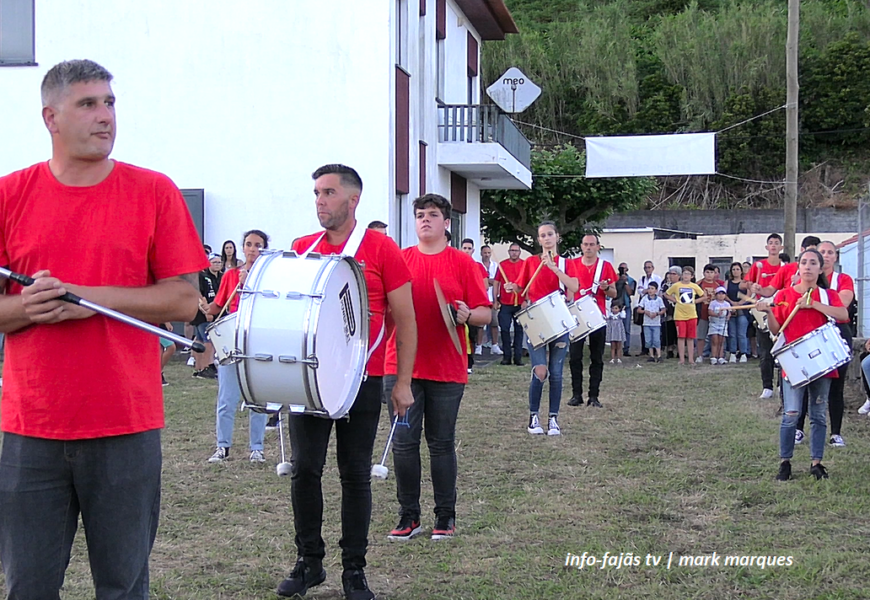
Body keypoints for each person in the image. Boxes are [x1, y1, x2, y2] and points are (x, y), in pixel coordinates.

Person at [0, 59, 205, 600]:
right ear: (51, 117)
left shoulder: (154, 191)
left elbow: (186, 298)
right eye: (88, 104)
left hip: (125, 425)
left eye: (110, 102)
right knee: (28, 586)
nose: (105, 116)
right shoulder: (9, 195)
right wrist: (31, 308)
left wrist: (88, 300)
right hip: (32, 429)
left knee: (123, 585)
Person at [278, 164, 416, 600]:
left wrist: (403, 382)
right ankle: (309, 562)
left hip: (362, 377)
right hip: (309, 378)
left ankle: (354, 570)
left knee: (355, 474)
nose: (319, 200)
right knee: (304, 470)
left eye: (329, 192)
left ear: (352, 200)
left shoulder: (380, 249)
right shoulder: (303, 248)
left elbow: (406, 320)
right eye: (316, 192)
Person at [383, 193, 489, 542]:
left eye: (432, 214)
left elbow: (485, 313)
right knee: (403, 442)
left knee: (441, 443)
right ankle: (408, 516)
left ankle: (445, 516)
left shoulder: (463, 263)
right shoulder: (399, 260)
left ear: (447, 223)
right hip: (401, 368)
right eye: (419, 215)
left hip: (446, 367)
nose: (424, 220)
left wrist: (467, 315)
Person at [756, 249, 847, 481]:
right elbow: (777, 330)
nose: (807, 266)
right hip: (794, 363)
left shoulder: (827, 295)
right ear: (798, 267)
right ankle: (785, 462)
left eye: (812, 263)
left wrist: (813, 305)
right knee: (791, 414)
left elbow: (843, 314)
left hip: (823, 363)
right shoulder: (784, 295)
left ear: (820, 268)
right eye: (804, 262)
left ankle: (816, 463)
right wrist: (768, 312)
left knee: (818, 415)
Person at [506, 222, 579, 433]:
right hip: (536, 318)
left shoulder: (566, 263)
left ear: (557, 237)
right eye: (542, 235)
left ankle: (553, 418)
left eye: (550, 234)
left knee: (556, 372)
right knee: (540, 370)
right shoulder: (530, 262)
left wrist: (554, 268)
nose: (546, 238)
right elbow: (521, 287)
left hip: (559, 319)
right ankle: (534, 416)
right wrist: (513, 287)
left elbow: (574, 287)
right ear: (538, 240)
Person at [206, 230, 271, 463]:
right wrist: (203, 307)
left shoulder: (269, 276)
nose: (252, 249)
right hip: (232, 340)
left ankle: (257, 447)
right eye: (249, 244)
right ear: (242, 247)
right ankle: (222, 447)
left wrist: (251, 284)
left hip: (258, 339)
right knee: (226, 397)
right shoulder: (230, 275)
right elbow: (218, 306)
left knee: (258, 396)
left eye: (258, 245)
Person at [794, 241, 855, 447]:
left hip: (836, 332)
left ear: (835, 257)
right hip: (809, 333)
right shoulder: (800, 280)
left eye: (830, 252)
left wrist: (816, 303)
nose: (826, 255)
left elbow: (843, 304)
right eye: (822, 252)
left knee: (836, 385)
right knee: (803, 381)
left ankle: (836, 432)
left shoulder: (842, 279)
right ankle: (799, 429)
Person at [566, 234, 617, 408]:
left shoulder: (606, 266)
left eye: (592, 244)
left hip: (598, 315)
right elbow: (568, 289)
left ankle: (594, 396)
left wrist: (606, 288)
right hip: (576, 315)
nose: (588, 247)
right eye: (585, 244)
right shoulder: (572, 265)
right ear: (581, 246)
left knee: (597, 357)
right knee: (575, 357)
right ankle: (576, 395)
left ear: (597, 247)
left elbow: (614, 293)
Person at [744, 233, 785, 398]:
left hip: (780, 310)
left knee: (783, 350)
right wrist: (752, 288)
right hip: (762, 310)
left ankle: (782, 384)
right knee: (765, 352)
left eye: (777, 243)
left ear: (781, 247)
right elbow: (748, 284)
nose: (774, 246)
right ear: (767, 247)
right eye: (771, 243)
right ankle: (767, 387)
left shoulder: (785, 267)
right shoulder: (758, 265)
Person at [665, 267, 705, 365]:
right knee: (681, 337)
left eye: (688, 274)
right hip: (679, 315)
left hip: (692, 315)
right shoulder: (676, 285)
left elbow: (704, 296)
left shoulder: (694, 286)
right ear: (681, 275)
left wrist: (695, 301)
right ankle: (682, 359)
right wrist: (675, 300)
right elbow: (666, 294)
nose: (686, 276)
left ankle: (691, 359)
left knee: (690, 338)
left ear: (692, 276)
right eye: (684, 273)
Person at [494, 242, 525, 366]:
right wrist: (495, 300)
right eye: (512, 250)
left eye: (516, 250)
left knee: (519, 331)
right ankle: (506, 357)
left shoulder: (524, 265)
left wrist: (527, 300)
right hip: (505, 303)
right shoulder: (502, 265)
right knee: (505, 330)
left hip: (520, 303)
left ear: (519, 252)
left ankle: (518, 358)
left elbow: (528, 284)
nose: (514, 252)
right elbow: (496, 283)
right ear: (509, 252)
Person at [191, 252, 222, 379]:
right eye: (214, 262)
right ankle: (206, 367)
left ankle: (198, 368)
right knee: (208, 340)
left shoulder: (210, 277)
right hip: (202, 312)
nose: (217, 264)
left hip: (206, 311)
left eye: (219, 262)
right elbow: (199, 296)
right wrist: (206, 312)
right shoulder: (200, 276)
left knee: (199, 338)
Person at [695, 264, 725, 362]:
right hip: (702, 314)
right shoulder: (698, 285)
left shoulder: (717, 286)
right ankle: (700, 355)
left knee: (716, 337)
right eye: (707, 272)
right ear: (704, 273)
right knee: (701, 336)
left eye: (711, 272)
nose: (709, 274)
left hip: (716, 317)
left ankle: (716, 356)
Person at [725, 262, 751, 363]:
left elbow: (748, 295)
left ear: (741, 271)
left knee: (741, 333)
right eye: (733, 269)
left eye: (737, 269)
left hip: (743, 311)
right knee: (732, 333)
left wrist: (739, 304)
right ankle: (732, 353)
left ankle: (743, 353)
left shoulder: (745, 283)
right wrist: (732, 303)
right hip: (731, 310)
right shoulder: (728, 282)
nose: (735, 271)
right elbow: (725, 293)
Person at [479, 244, 502, 355]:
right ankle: (479, 346)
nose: (487, 255)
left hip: (492, 298)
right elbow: (479, 281)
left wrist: (487, 280)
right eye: (485, 253)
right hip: (481, 298)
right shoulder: (477, 265)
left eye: (489, 253)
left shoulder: (495, 266)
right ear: (481, 253)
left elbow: (498, 281)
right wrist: (489, 281)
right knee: (480, 324)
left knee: (494, 323)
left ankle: (494, 345)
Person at [637, 261, 662, 351]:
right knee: (644, 327)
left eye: (649, 267)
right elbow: (640, 290)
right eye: (646, 267)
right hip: (645, 303)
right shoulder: (642, 279)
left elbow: (658, 291)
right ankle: (645, 348)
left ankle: (656, 348)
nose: (647, 269)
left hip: (655, 303)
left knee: (656, 329)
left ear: (653, 268)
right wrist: (648, 290)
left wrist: (647, 290)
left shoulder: (657, 278)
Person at [637, 281, 665, 362]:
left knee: (656, 339)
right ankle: (651, 355)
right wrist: (645, 312)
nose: (650, 290)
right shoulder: (644, 298)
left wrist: (657, 313)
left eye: (652, 288)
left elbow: (663, 309)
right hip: (646, 323)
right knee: (648, 340)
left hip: (656, 323)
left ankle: (659, 355)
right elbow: (639, 309)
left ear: (656, 290)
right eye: (649, 288)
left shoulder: (659, 299)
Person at [615, 262, 635, 355]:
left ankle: (626, 348)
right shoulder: (614, 278)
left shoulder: (631, 280)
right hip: (616, 306)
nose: (623, 270)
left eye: (624, 268)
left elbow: (630, 292)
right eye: (621, 268)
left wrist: (625, 282)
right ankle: (615, 348)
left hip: (626, 306)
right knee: (615, 328)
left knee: (626, 328)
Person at [661, 266, 681, 358]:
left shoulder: (682, 285)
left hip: (680, 311)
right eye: (670, 273)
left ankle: (679, 350)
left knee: (679, 331)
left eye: (674, 274)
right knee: (669, 330)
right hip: (668, 311)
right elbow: (663, 297)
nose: (671, 276)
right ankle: (669, 350)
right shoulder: (665, 285)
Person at [707, 287, 730, 364]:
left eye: (723, 294)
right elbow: (710, 312)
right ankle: (713, 357)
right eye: (719, 294)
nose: (721, 295)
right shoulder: (713, 303)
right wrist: (716, 314)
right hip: (714, 324)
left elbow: (730, 312)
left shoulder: (727, 304)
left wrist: (728, 316)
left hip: (723, 324)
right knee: (714, 340)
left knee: (721, 341)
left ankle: (720, 357)